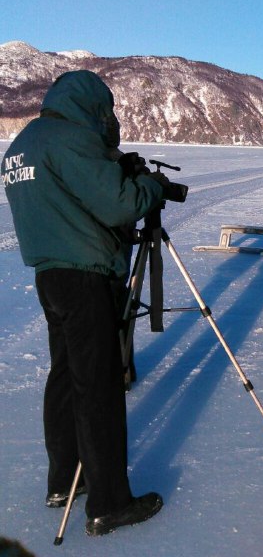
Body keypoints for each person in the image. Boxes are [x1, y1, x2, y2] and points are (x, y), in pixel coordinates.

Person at [1, 70, 169, 535]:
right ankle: (109, 502)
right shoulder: (71, 139)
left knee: (65, 374)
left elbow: (67, 199)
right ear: (93, 106)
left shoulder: (22, 144)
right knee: (97, 385)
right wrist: (149, 187)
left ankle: (62, 482)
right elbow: (117, 206)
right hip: (86, 273)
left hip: (49, 273)